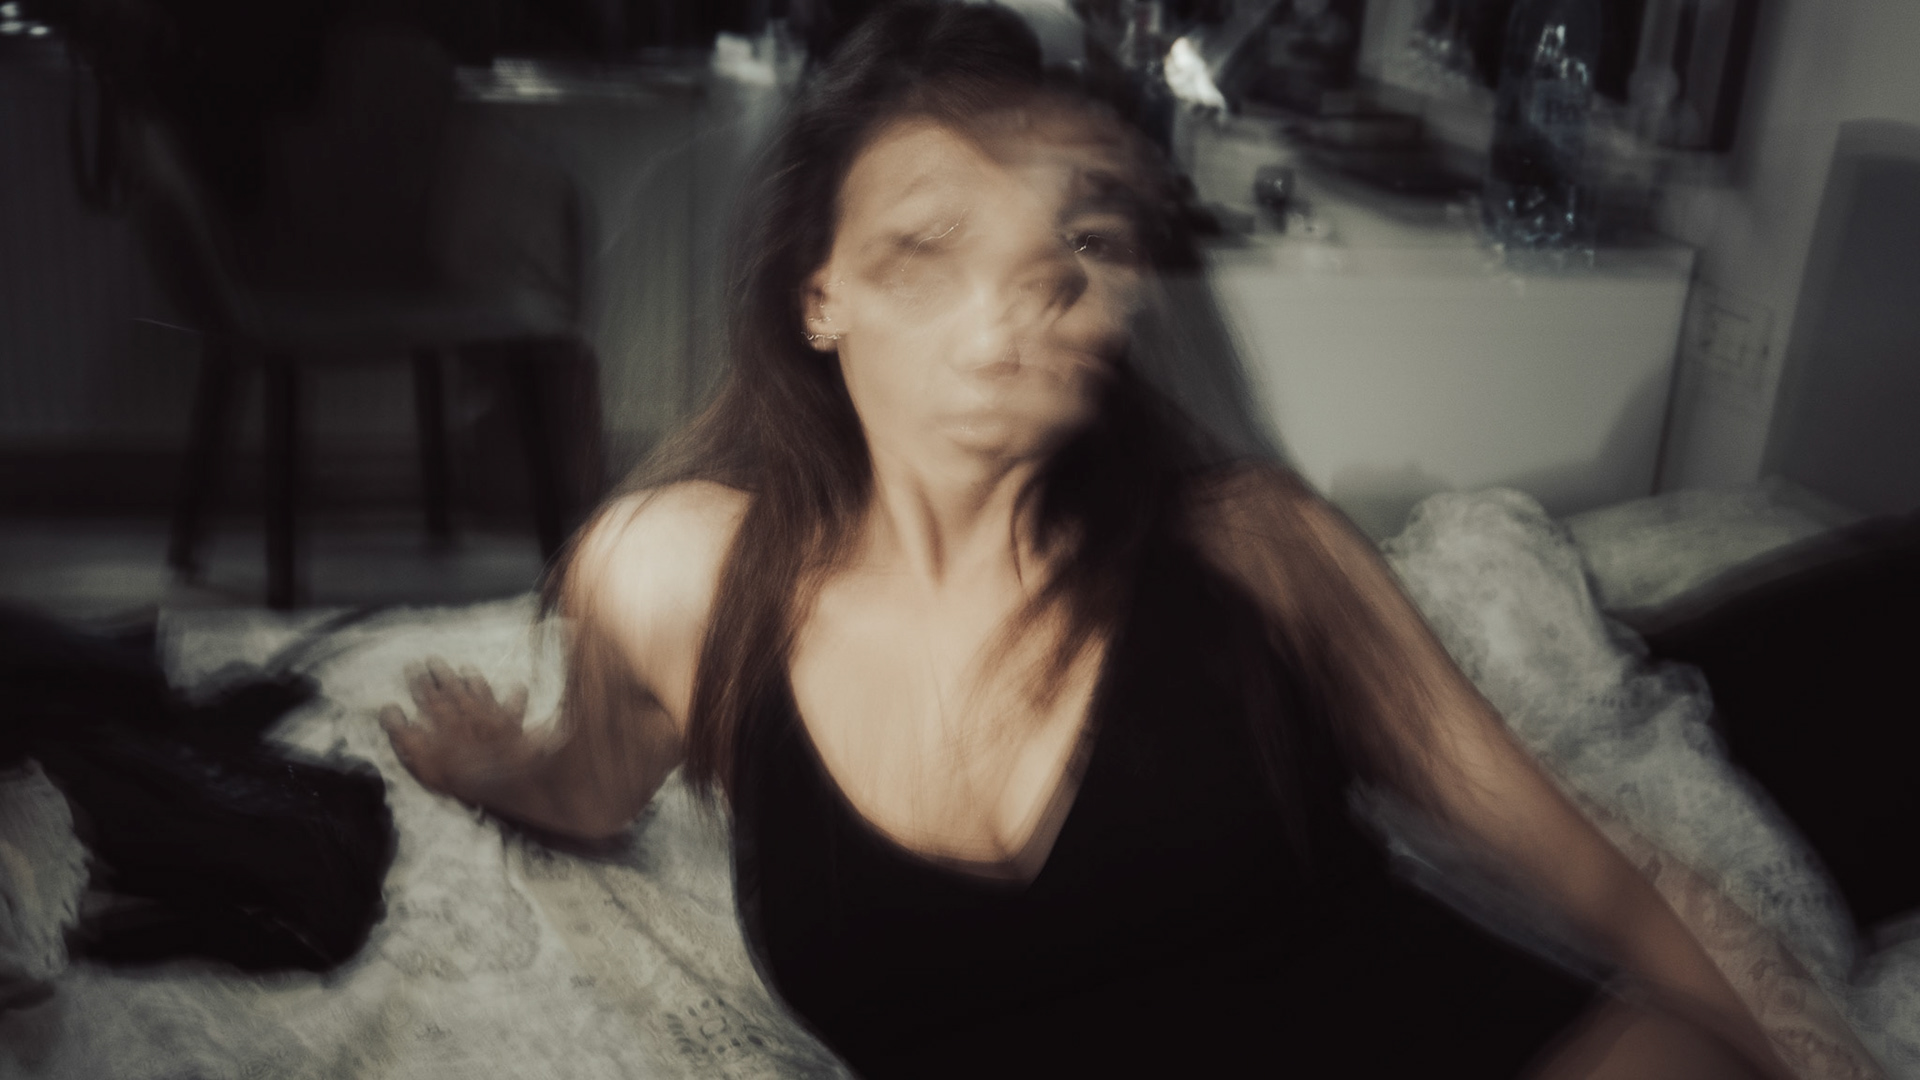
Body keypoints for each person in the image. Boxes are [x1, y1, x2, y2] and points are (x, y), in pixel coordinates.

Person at [380, 4, 1789, 1076]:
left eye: (1073, 249)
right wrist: (484, 764)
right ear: (818, 295)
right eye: (927, 250)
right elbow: (592, 781)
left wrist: (1793, 1054)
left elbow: (1598, 884)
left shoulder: (1257, 550)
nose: (1003, 315)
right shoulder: (674, 573)